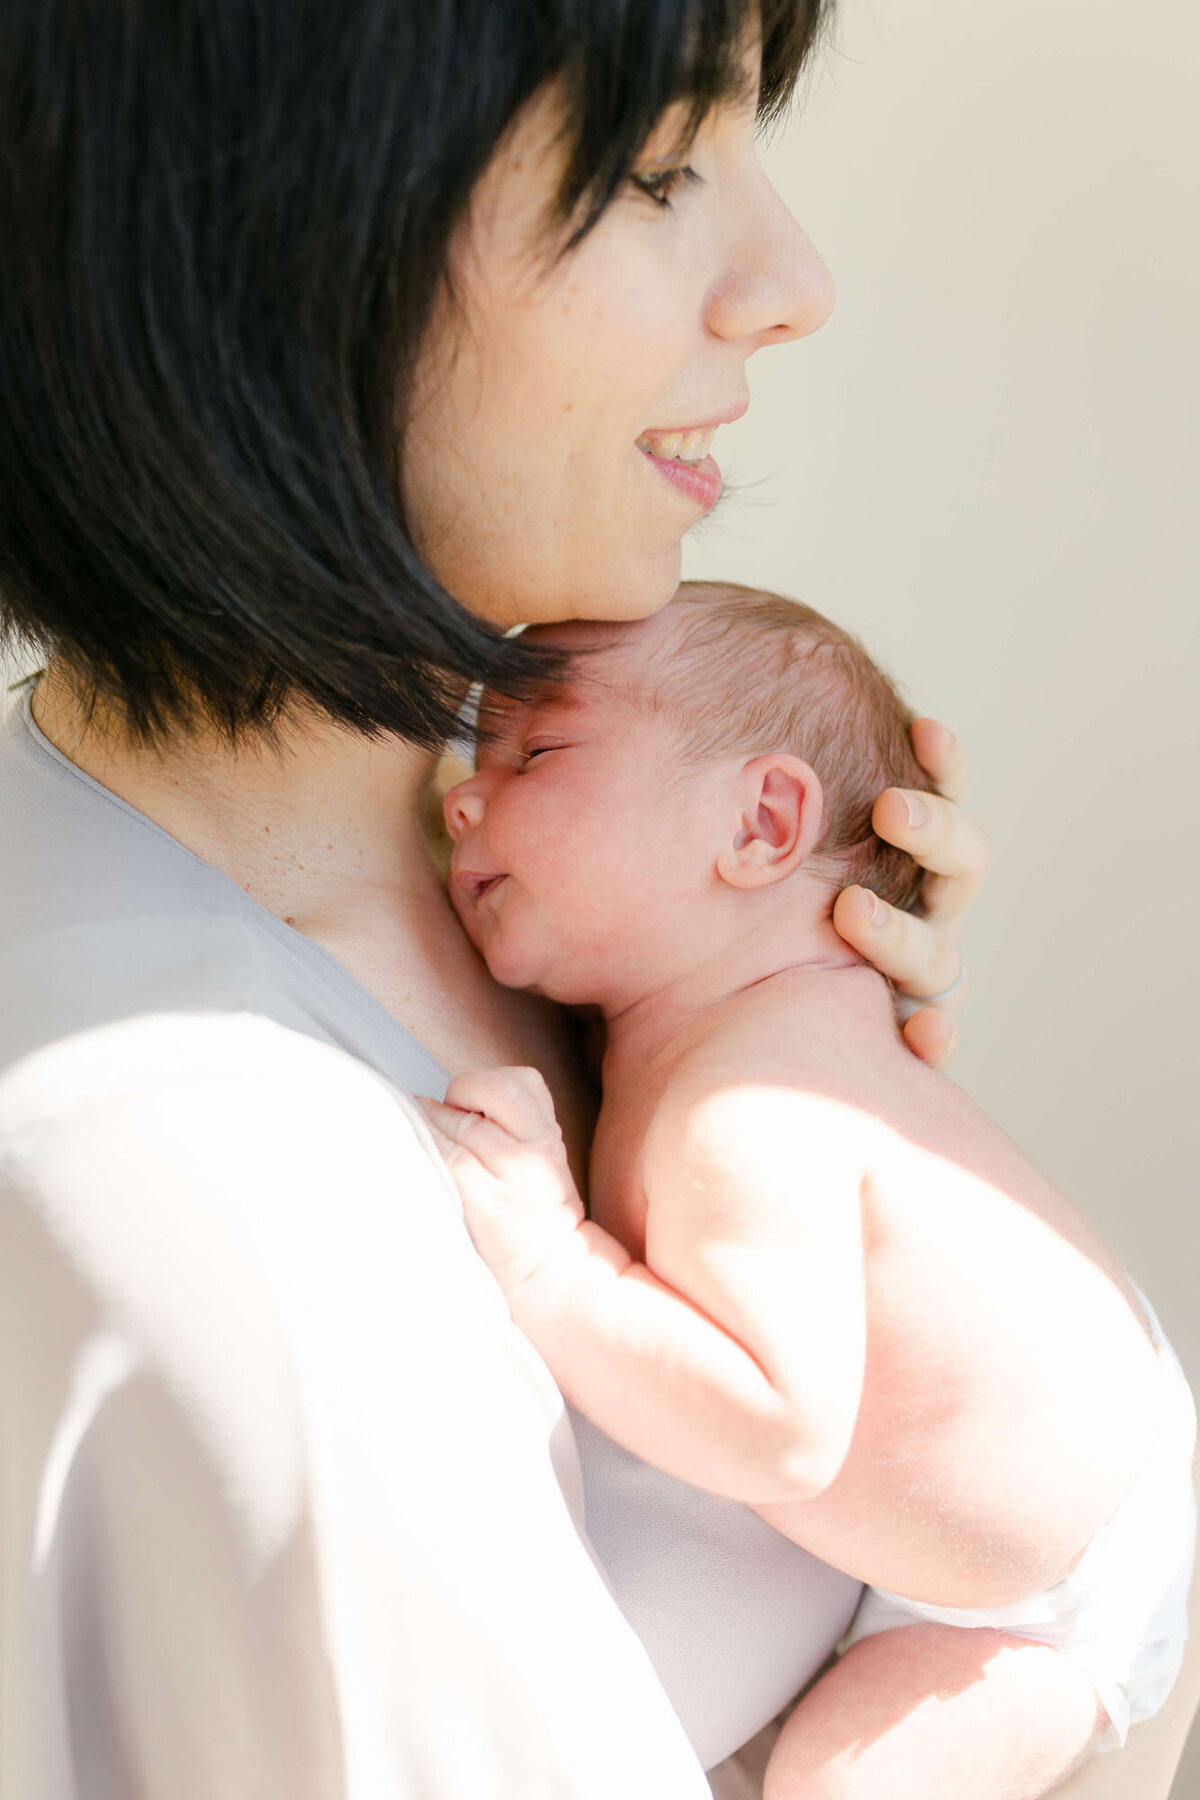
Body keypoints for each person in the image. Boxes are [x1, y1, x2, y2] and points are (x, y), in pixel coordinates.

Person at [0, 3, 1192, 1796]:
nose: (794, 281)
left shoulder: (526, 865)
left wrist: (786, 1048)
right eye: (657, 169)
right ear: (286, 237)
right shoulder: (229, 1203)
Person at [426, 582, 1197, 1797]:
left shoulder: (750, 1110)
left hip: (1040, 1587)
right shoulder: (745, 1021)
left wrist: (550, 1262)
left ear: (763, 824)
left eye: (536, 751)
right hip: (1049, 1427)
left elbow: (776, 1429)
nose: (464, 795)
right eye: (476, 759)